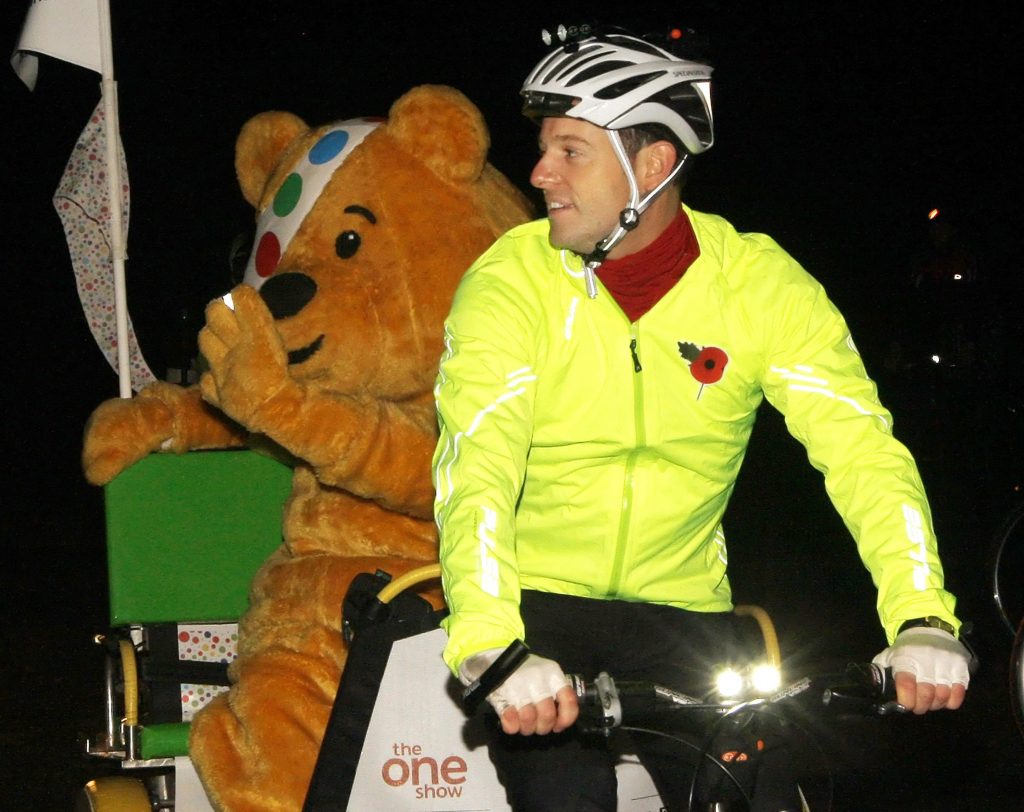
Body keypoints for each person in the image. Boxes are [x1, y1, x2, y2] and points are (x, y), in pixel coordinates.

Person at [432, 24, 972, 811]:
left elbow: (863, 453)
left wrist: (921, 614)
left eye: (571, 150)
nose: (541, 172)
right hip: (536, 613)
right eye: (544, 147)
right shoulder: (512, 281)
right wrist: (490, 640)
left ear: (651, 165)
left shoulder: (758, 285)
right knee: (567, 798)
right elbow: (475, 464)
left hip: (686, 616)